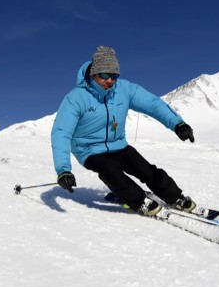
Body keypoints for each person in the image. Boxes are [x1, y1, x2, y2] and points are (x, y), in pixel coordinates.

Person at [50, 46, 196, 217]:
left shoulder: (124, 90)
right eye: (104, 75)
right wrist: (63, 170)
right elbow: (61, 132)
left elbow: (153, 104)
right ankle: (139, 201)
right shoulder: (76, 98)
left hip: (118, 144)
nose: (110, 80)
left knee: (146, 170)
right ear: (93, 74)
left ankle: (175, 197)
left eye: (114, 75)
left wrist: (178, 124)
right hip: (88, 149)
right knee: (110, 170)